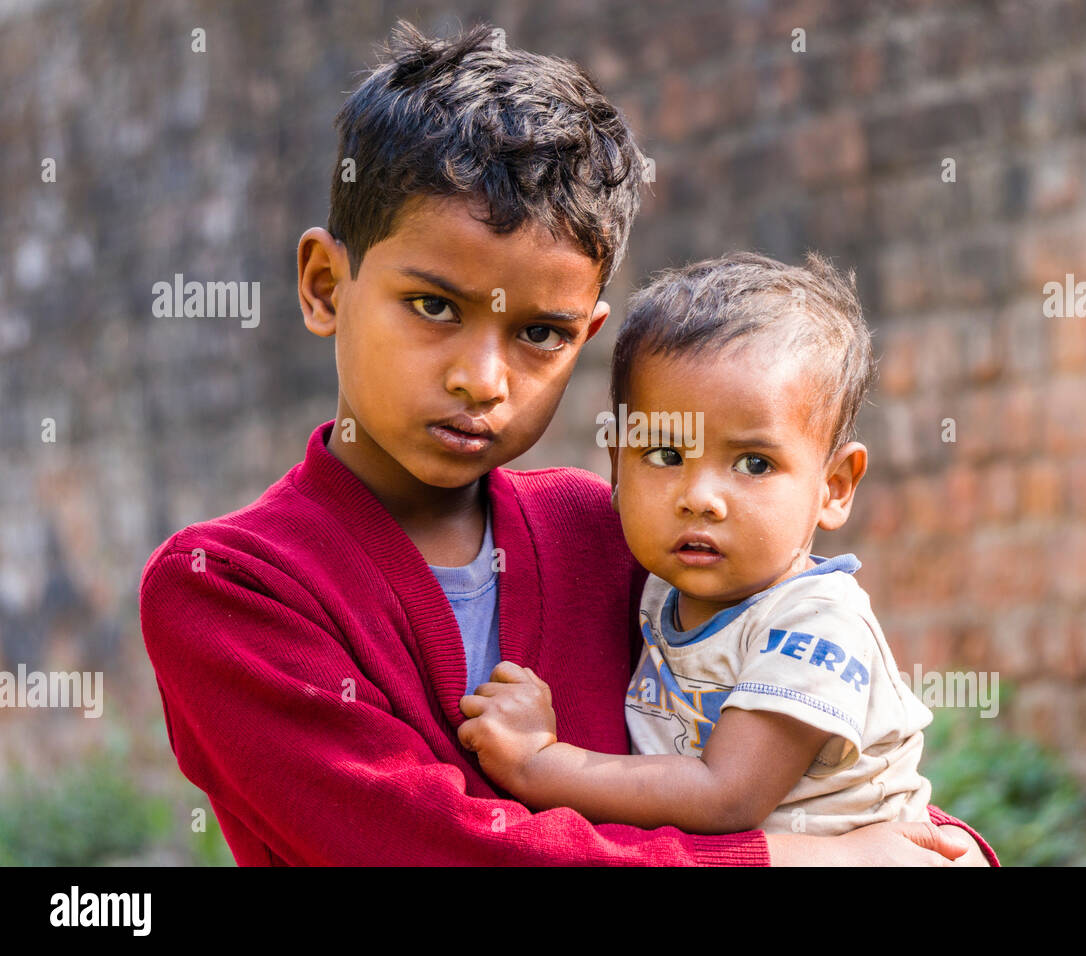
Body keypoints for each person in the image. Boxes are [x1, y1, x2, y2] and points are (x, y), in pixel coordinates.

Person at [138, 20, 995, 865]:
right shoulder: (228, 589)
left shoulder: (608, 533)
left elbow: (850, 789)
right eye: (435, 307)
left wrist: (941, 848)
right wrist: (793, 863)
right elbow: (442, 853)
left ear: (585, 338)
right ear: (327, 286)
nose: (483, 378)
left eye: (539, 333)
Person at [457, 252, 993, 861]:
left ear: (835, 486)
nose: (701, 498)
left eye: (754, 464)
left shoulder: (814, 623)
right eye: (664, 455)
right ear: (617, 467)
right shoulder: (660, 590)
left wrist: (540, 763)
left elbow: (724, 796)